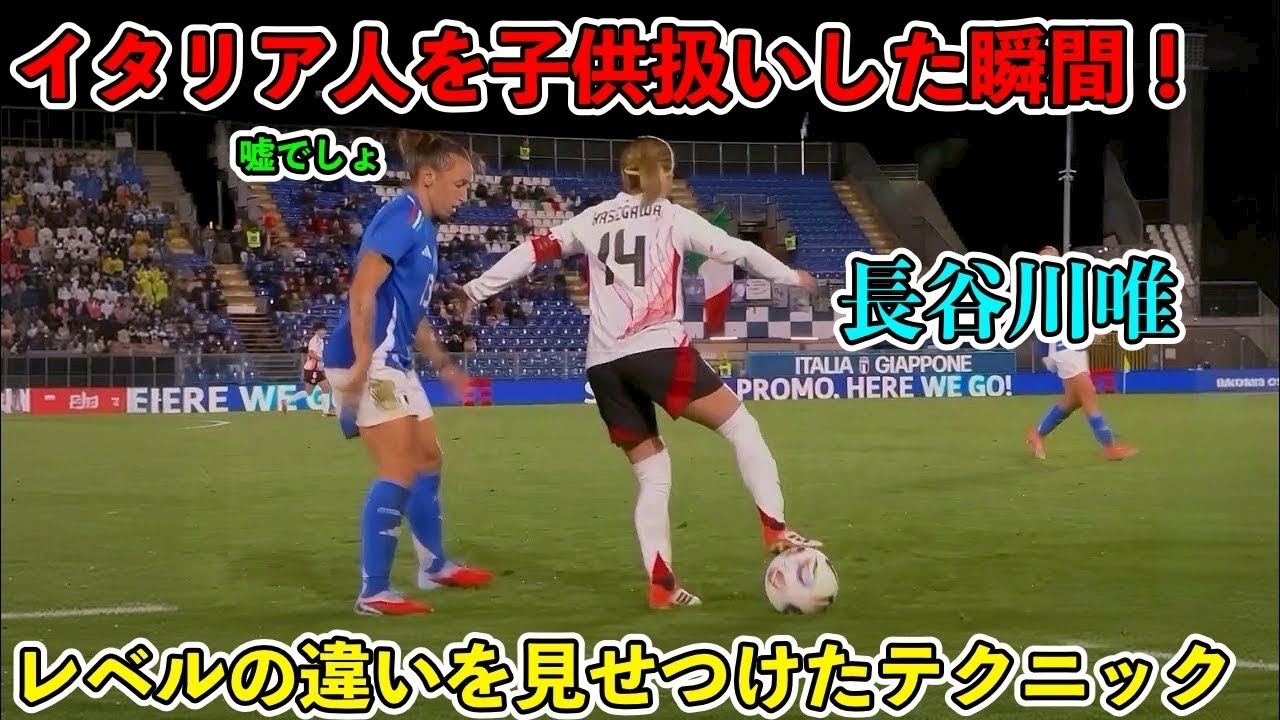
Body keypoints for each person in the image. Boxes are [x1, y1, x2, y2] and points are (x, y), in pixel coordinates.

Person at [457, 135, 823, 610]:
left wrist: (474, 290)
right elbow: (737, 251)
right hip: (656, 348)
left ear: (622, 174)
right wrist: (791, 277)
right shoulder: (671, 216)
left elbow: (533, 250)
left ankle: (661, 585)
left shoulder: (591, 219)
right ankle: (774, 527)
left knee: (653, 476)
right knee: (740, 426)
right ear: (665, 174)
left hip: (603, 364)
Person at [323, 130, 494, 616]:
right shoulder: (402, 216)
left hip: (394, 357)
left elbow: (412, 314)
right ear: (429, 177)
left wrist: (444, 365)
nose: (464, 195)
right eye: (459, 184)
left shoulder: (423, 229)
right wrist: (361, 364)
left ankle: (433, 566)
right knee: (397, 468)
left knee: (428, 459)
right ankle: (373, 591)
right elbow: (361, 291)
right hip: (371, 355)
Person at [1026, 245, 1137, 461]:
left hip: (1067, 349)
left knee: (1073, 400)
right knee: (1088, 396)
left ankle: (1037, 434)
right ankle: (1109, 447)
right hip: (1063, 350)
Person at [282, 321, 334, 415]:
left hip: (317, 369)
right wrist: (321, 359)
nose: (325, 332)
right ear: (317, 331)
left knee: (325, 388)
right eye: (323, 330)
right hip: (312, 369)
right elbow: (311, 353)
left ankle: (326, 411)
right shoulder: (314, 341)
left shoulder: (320, 340)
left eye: (325, 330)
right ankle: (287, 401)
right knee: (309, 392)